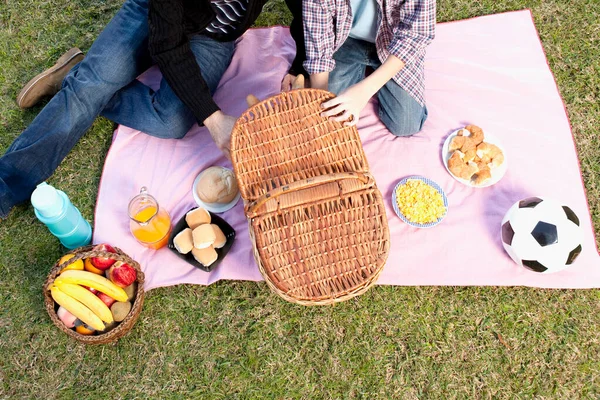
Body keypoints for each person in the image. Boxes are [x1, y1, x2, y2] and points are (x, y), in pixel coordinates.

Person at [0, 0, 306, 219]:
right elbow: (168, 45)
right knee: (88, 90)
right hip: (153, 14)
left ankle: (77, 75)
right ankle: (8, 183)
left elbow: (309, 7)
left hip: (215, 39)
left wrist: (300, 64)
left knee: (171, 121)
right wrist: (213, 119)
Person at [302, 0, 435, 136]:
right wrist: (321, 99)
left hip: (394, 43)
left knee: (406, 125)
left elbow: (417, 34)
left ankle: (379, 72)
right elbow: (317, 34)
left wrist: (365, 90)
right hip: (346, 39)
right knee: (332, 113)